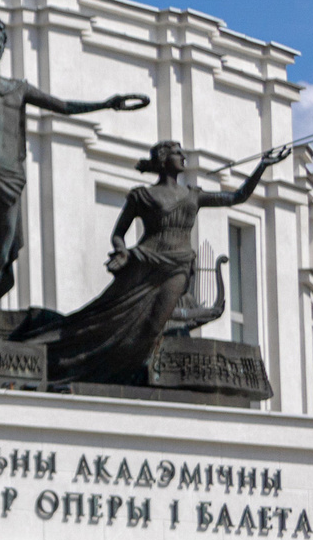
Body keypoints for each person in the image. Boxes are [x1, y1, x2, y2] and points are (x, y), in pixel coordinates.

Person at [0, 14, 147, 358]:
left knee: (2, 252)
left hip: (11, 176)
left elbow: (61, 106)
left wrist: (106, 103)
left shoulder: (17, 89)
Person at [19, 139, 284, 388]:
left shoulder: (193, 195)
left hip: (178, 265)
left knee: (153, 325)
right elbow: (118, 233)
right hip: (145, 262)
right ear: (163, 159)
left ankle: (114, 366)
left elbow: (236, 197)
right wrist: (121, 252)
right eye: (177, 152)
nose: (183, 156)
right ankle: (74, 362)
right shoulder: (142, 196)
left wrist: (262, 166)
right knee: (109, 317)